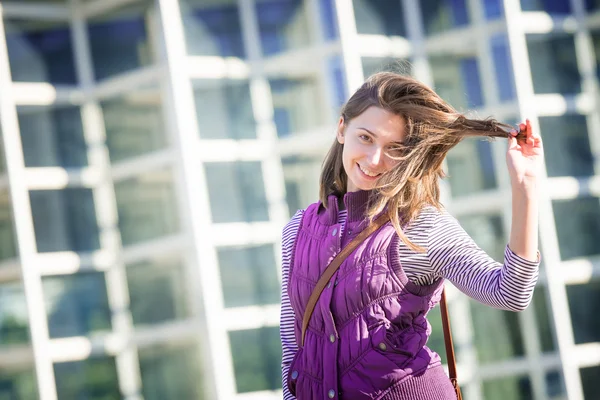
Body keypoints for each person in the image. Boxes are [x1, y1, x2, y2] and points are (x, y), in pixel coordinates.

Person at [280, 72, 542, 400]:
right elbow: (293, 344)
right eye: (366, 137)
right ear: (342, 128)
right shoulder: (298, 228)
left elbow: (510, 293)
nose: (375, 160)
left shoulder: (420, 226)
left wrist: (526, 188)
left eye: (394, 148)